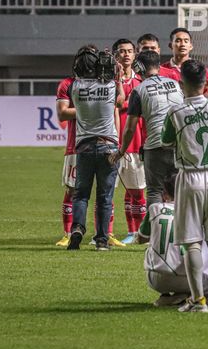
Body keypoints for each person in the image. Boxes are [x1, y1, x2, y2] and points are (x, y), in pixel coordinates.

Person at [161, 60, 208, 313]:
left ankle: (198, 300)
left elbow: (165, 139)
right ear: (206, 82)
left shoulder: (175, 112)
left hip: (189, 177)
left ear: (182, 84)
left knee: (192, 242)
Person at [137, 173, 208, 308]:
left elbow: (141, 238)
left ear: (165, 194)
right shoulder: (195, 212)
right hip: (186, 276)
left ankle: (170, 296)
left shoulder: (154, 208)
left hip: (155, 278)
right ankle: (188, 296)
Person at [67, 46, 125, 251]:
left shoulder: (74, 87)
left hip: (84, 146)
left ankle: (77, 228)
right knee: (104, 197)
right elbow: (121, 101)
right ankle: (101, 240)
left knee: (81, 194)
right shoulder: (110, 85)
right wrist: (117, 78)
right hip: (108, 145)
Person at [112, 50, 183, 209]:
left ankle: (155, 231)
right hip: (179, 146)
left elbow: (130, 128)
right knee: (179, 189)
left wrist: (122, 151)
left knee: (154, 191)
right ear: (158, 66)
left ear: (139, 66)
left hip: (155, 147)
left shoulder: (139, 90)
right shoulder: (176, 84)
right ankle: (181, 229)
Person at [114, 38, 146, 245]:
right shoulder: (109, 82)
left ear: (135, 55)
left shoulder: (141, 83)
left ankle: (141, 233)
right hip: (113, 144)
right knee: (114, 191)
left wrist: (122, 104)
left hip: (135, 142)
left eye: (129, 51)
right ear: (116, 56)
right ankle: (129, 231)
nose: (126, 54)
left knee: (137, 191)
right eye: (122, 51)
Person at [54, 58, 82, 247]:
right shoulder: (67, 84)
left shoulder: (104, 83)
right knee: (72, 190)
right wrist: (92, 109)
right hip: (76, 146)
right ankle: (67, 233)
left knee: (105, 193)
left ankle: (105, 234)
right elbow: (62, 113)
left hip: (103, 143)